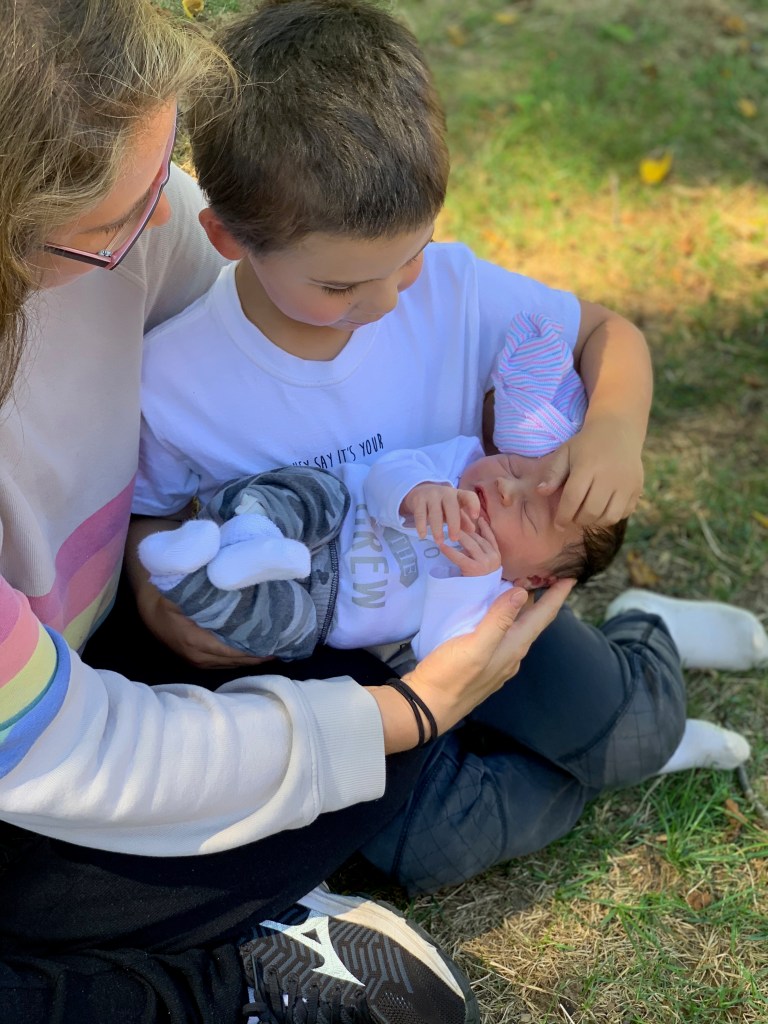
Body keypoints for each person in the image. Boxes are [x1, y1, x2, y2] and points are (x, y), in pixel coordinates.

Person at [0, 2, 758, 1023]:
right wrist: (156, 583)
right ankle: (563, 767)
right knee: (427, 844)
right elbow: (154, 523)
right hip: (349, 660)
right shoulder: (177, 379)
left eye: (412, 256)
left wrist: (613, 432)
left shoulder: (439, 288)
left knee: (619, 732)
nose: (393, 296)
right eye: (344, 283)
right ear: (228, 237)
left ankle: (645, 643)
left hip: (486, 605)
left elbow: (602, 336)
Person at [136, 313, 626, 661]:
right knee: (312, 491)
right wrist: (417, 489)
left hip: (324, 610)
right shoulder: (459, 464)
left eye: (526, 513)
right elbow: (385, 473)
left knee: (281, 628)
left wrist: (469, 583)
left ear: (534, 579)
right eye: (517, 467)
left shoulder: (489, 598)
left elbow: (440, 651)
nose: (505, 488)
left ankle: (185, 576)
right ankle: (252, 534)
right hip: (333, 517)